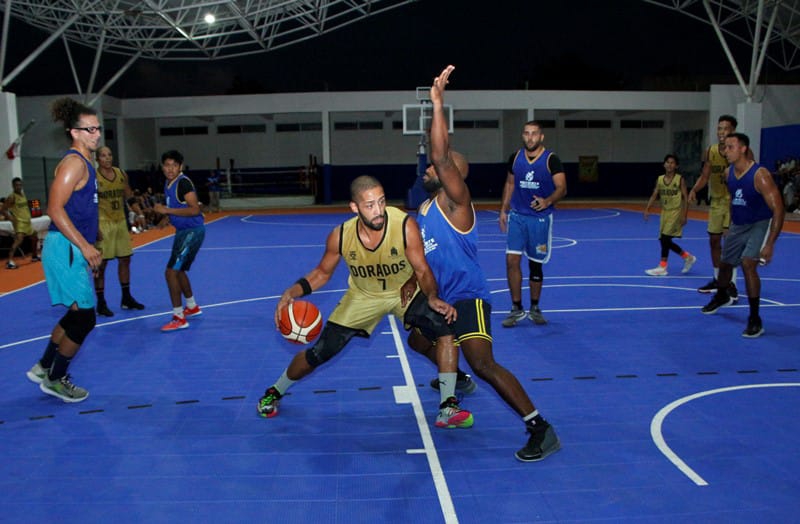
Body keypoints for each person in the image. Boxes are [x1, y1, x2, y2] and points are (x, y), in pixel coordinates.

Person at [408, 65, 560, 462]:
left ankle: (540, 428)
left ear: (453, 175)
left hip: (467, 297)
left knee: (484, 364)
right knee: (418, 340)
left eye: (437, 167)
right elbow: (423, 256)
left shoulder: (455, 203)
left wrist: (437, 104)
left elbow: (440, 155)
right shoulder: (425, 209)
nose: (429, 168)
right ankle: (455, 377)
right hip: (442, 298)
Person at [256, 175, 461, 425]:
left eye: (381, 202)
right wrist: (290, 293)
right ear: (354, 207)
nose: (378, 210)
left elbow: (422, 269)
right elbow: (321, 274)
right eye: (370, 205)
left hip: (403, 293)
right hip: (363, 296)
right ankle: (275, 391)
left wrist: (432, 296)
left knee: (444, 325)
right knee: (319, 353)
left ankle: (448, 406)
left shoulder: (404, 225)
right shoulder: (341, 235)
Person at [25, 97, 103, 402]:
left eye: (98, 128)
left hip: (70, 247)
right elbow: (54, 209)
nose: (96, 134)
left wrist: (90, 238)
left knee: (75, 314)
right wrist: (85, 246)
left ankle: (44, 366)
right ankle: (56, 379)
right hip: (67, 248)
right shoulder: (74, 164)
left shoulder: (85, 162)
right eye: (90, 129)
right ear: (74, 132)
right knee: (85, 319)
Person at [701, 132, 785, 338]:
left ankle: (755, 319)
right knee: (725, 264)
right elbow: (734, 200)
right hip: (738, 225)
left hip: (759, 224)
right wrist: (730, 224)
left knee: (748, 264)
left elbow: (779, 209)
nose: (725, 151)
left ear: (743, 149)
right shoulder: (728, 173)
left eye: (730, 147)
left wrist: (770, 243)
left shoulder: (760, 175)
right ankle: (722, 295)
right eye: (724, 148)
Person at [499, 120, 567, 326]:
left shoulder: (551, 160)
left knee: (535, 264)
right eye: (527, 133)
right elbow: (510, 183)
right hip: (517, 216)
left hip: (539, 219)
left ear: (541, 136)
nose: (530, 137)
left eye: (534, 133)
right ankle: (516, 308)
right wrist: (503, 209)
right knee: (511, 260)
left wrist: (547, 201)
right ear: (523, 135)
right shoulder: (515, 158)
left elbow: (562, 188)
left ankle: (535, 307)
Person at [153, 150, 206, 332]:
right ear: (162, 167)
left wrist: (167, 211)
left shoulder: (183, 183)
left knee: (171, 273)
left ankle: (179, 317)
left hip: (191, 232)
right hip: (183, 231)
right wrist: (166, 219)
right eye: (167, 165)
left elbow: (195, 209)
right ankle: (191, 306)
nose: (170, 169)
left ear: (180, 167)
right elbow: (177, 206)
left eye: (174, 165)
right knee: (179, 270)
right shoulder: (169, 183)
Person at [688, 114, 739, 298]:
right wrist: (694, 189)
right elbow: (705, 175)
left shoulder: (741, 150)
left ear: (733, 130)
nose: (721, 132)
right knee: (714, 241)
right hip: (716, 202)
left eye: (725, 128)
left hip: (734, 202)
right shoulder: (711, 151)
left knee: (730, 243)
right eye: (719, 128)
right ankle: (718, 279)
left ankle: (732, 283)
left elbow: (750, 173)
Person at [93, 146, 145, 316]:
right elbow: (90, 204)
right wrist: (94, 227)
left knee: (125, 260)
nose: (107, 158)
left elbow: (129, 196)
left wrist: (140, 213)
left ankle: (126, 298)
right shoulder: (93, 177)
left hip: (120, 222)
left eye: (109, 154)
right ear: (97, 159)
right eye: (103, 155)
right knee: (101, 264)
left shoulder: (121, 174)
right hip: (103, 223)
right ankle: (101, 302)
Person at [643, 154, 697, 276]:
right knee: (664, 240)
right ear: (664, 164)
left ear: (676, 166)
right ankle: (687, 257)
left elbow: (685, 198)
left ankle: (663, 266)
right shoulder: (660, 179)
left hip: (675, 211)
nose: (669, 164)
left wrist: (685, 215)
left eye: (672, 163)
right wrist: (647, 208)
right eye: (667, 162)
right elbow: (654, 194)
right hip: (665, 212)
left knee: (665, 238)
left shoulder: (679, 179)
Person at [4, 177, 40, 268]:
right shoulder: (12, 197)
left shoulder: (23, 194)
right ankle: (9, 261)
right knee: (18, 240)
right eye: (17, 185)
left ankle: (34, 256)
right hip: (19, 222)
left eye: (20, 185)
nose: (19, 187)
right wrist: (10, 218)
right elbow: (3, 209)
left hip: (27, 222)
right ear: (13, 186)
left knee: (35, 237)